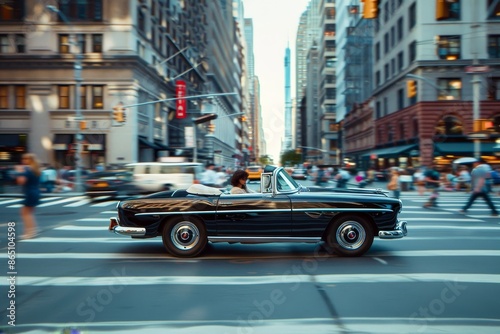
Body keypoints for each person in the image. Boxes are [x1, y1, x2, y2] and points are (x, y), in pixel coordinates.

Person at [15, 153, 41, 239]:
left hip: (29, 192)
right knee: (29, 213)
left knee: (25, 213)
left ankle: (29, 233)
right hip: (35, 191)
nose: (23, 161)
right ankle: (32, 231)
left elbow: (21, 182)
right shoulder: (36, 169)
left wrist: (19, 172)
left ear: (30, 160)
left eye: (25, 159)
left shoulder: (27, 169)